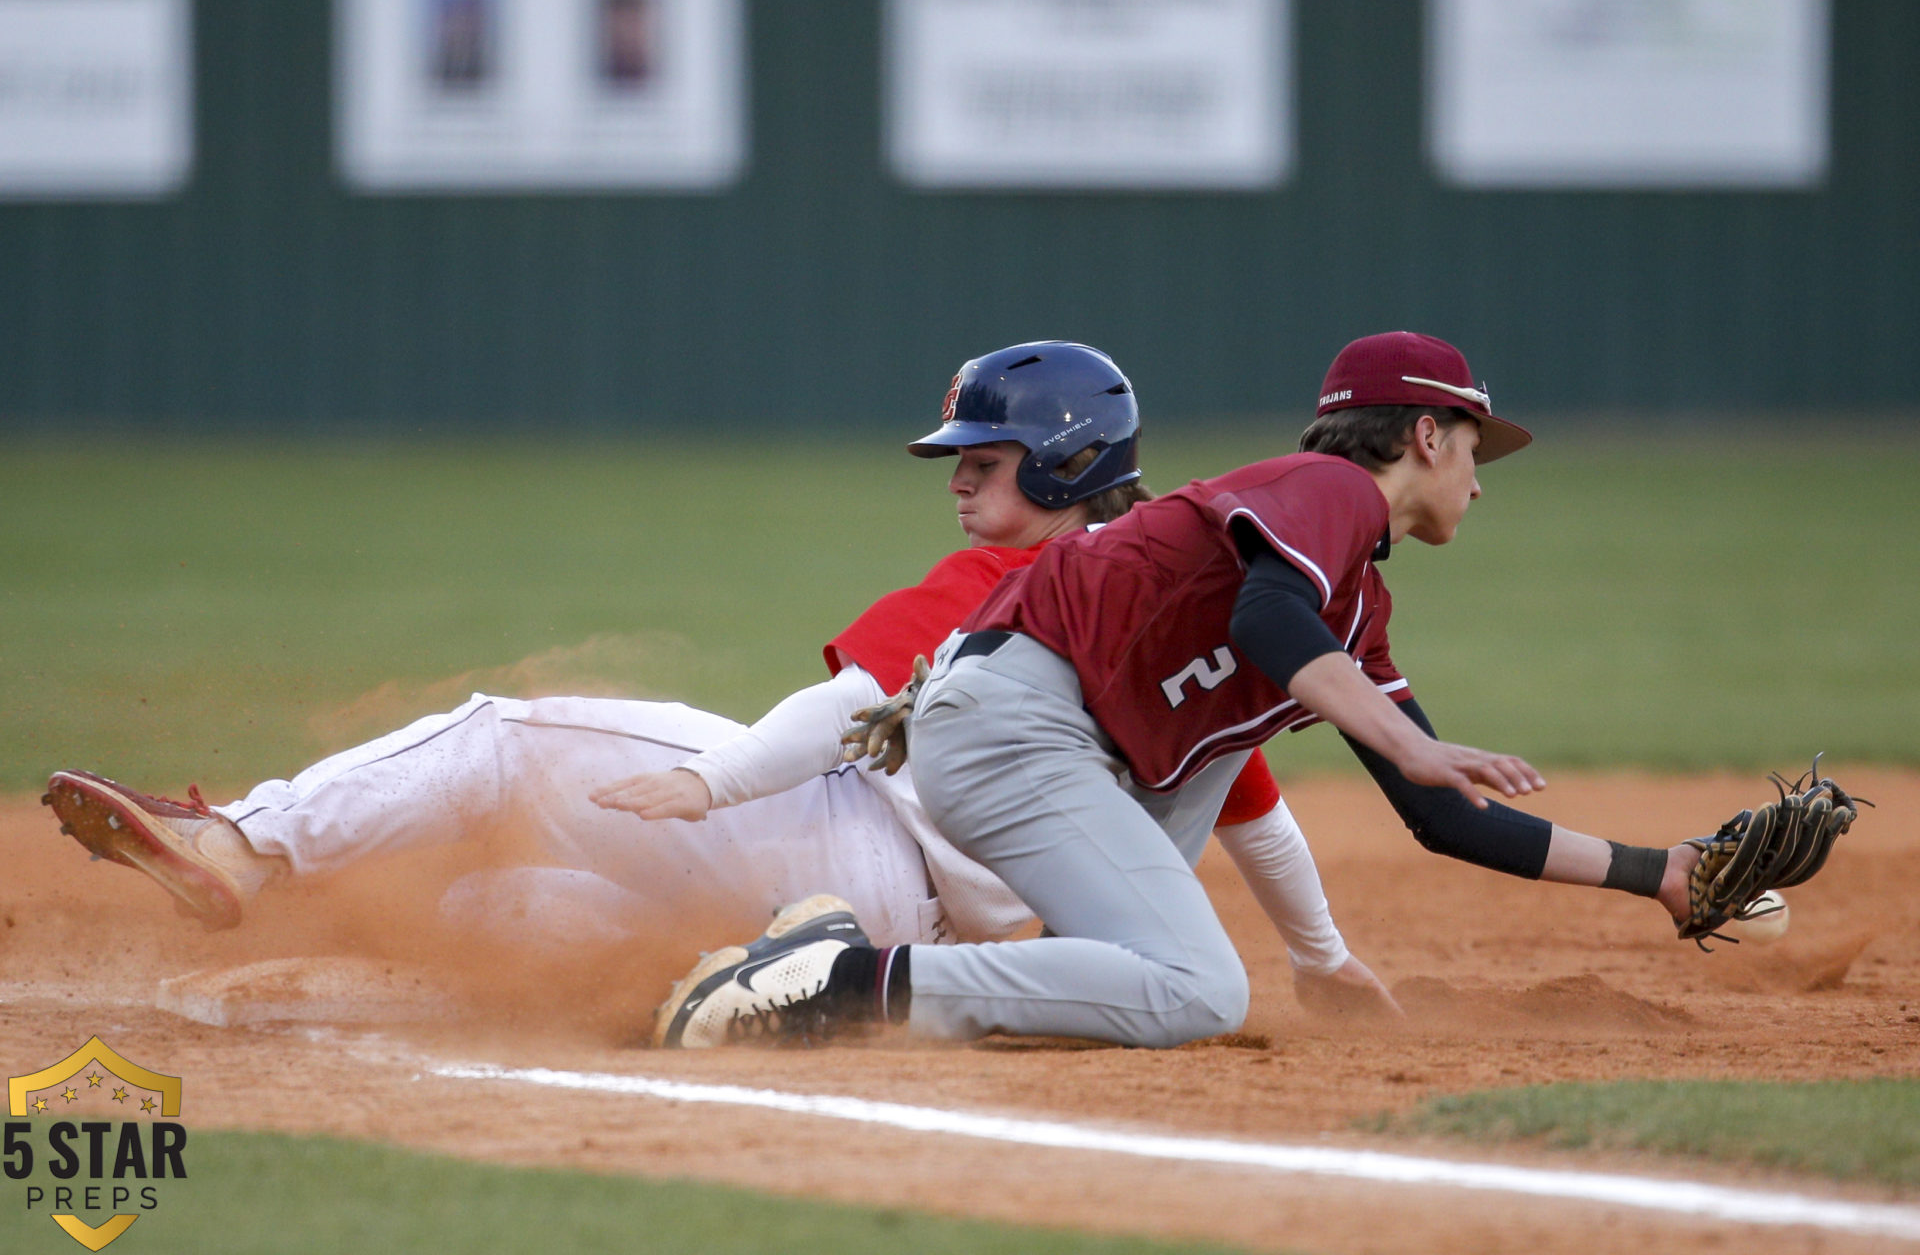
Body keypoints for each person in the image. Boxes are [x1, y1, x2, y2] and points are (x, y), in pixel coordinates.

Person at [44, 341, 1392, 1015]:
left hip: (845, 850)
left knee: (508, 743)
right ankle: (355, 967)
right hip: (912, 937)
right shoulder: (1177, 608)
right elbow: (1252, 801)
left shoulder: (1024, 587)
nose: (961, 482)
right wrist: (1324, 961)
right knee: (513, 906)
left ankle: (243, 850)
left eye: (982, 462)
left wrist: (715, 780)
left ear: (1062, 466)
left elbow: (842, 716)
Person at [653, 331, 1704, 1050]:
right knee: (1202, 989)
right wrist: (1405, 735)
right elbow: (1265, 623)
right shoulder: (1326, 491)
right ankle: (832, 987)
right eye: (1474, 449)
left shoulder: (1350, 604)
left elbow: (1443, 818)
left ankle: (953, 980)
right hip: (1012, 720)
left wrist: (1658, 872)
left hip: (1038, 729)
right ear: (1426, 435)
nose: (1477, 480)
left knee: (1193, 798)